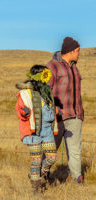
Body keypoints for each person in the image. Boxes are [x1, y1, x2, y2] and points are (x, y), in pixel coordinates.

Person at [16, 65, 59, 194]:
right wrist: (24, 111)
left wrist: (57, 111)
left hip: (47, 129)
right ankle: (36, 188)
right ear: (36, 76)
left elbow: (50, 107)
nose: (47, 77)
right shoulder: (25, 93)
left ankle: (39, 173)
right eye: (44, 74)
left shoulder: (47, 91)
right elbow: (19, 108)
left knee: (52, 157)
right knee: (36, 160)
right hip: (33, 130)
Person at [46, 37, 84, 184]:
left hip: (75, 116)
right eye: (77, 51)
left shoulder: (75, 67)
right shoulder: (52, 66)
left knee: (75, 149)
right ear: (70, 51)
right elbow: (45, 91)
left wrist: (80, 113)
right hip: (57, 117)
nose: (79, 53)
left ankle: (77, 179)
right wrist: (52, 110)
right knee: (50, 149)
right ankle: (42, 176)